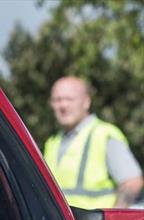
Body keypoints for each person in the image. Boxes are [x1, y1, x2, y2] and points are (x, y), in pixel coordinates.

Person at [44, 76, 143, 209]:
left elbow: (132, 182)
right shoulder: (52, 143)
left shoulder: (104, 134)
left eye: (69, 99)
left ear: (86, 102)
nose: (63, 105)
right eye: (57, 100)